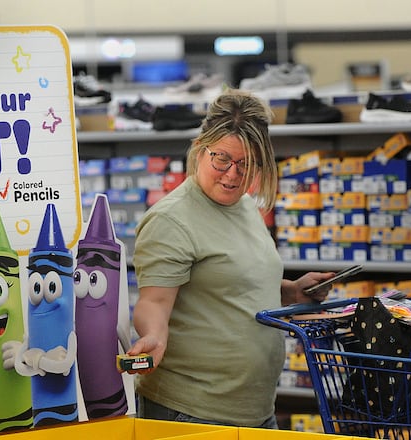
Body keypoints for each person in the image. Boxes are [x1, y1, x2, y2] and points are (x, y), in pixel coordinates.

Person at [125, 88, 336, 429]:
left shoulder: (246, 207)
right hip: (192, 412)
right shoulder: (171, 220)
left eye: (246, 164)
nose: (233, 174)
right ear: (199, 149)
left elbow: (233, 285)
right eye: (221, 159)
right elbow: (155, 301)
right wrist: (154, 337)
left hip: (256, 411)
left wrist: (293, 292)